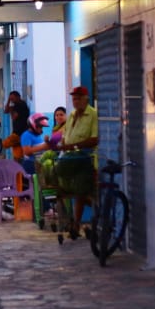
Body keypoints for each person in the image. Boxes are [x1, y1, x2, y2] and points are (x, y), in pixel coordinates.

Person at [57, 85, 100, 238]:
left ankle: (79, 222)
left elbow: (95, 139)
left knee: (82, 191)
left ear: (85, 99)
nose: (75, 102)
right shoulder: (72, 115)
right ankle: (74, 222)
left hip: (85, 160)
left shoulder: (93, 114)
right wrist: (63, 144)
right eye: (73, 99)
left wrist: (73, 146)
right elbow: (65, 134)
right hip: (70, 158)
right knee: (65, 189)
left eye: (78, 99)